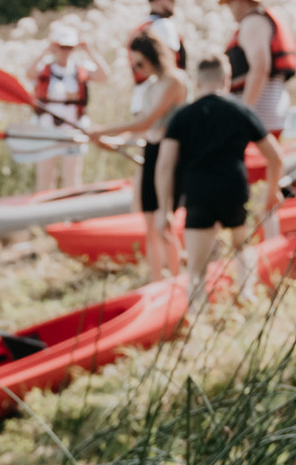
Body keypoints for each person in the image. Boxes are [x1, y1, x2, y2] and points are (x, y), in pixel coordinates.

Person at [159, 57, 286, 311]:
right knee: (242, 246)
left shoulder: (182, 116)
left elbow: (164, 166)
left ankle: (198, 313)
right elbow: (276, 157)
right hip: (234, 189)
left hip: (198, 193)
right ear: (226, 80)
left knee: (196, 266)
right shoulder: (241, 111)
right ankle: (246, 297)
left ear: (197, 81)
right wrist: (272, 191)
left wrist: (165, 209)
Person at [89, 35, 190, 283]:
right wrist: (114, 143)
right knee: (149, 224)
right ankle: (156, 279)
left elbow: (148, 121)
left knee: (162, 224)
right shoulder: (151, 86)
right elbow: (143, 129)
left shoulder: (175, 81)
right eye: (134, 66)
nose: (137, 70)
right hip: (151, 150)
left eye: (140, 64)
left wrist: (105, 130)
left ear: (154, 57)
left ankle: (177, 280)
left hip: (170, 155)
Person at [29, 24, 108, 192]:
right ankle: (45, 215)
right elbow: (28, 73)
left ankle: (69, 215)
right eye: (62, 47)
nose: (66, 51)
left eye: (69, 47)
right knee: (45, 178)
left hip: (74, 130)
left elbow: (104, 75)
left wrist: (88, 50)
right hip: (47, 131)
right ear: (55, 47)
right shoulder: (44, 69)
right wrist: (46, 50)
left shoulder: (80, 69)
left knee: (71, 178)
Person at [222, 0, 296, 135]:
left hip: (258, 112)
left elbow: (260, 68)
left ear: (240, 0)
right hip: (268, 110)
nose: (230, 10)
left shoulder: (253, 22)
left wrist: (244, 112)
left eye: (230, 3)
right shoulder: (261, 20)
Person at [133, 0, 188, 73]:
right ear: (158, 0)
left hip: (146, 84)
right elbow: (170, 59)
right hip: (168, 82)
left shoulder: (143, 25)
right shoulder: (164, 24)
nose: (173, 2)